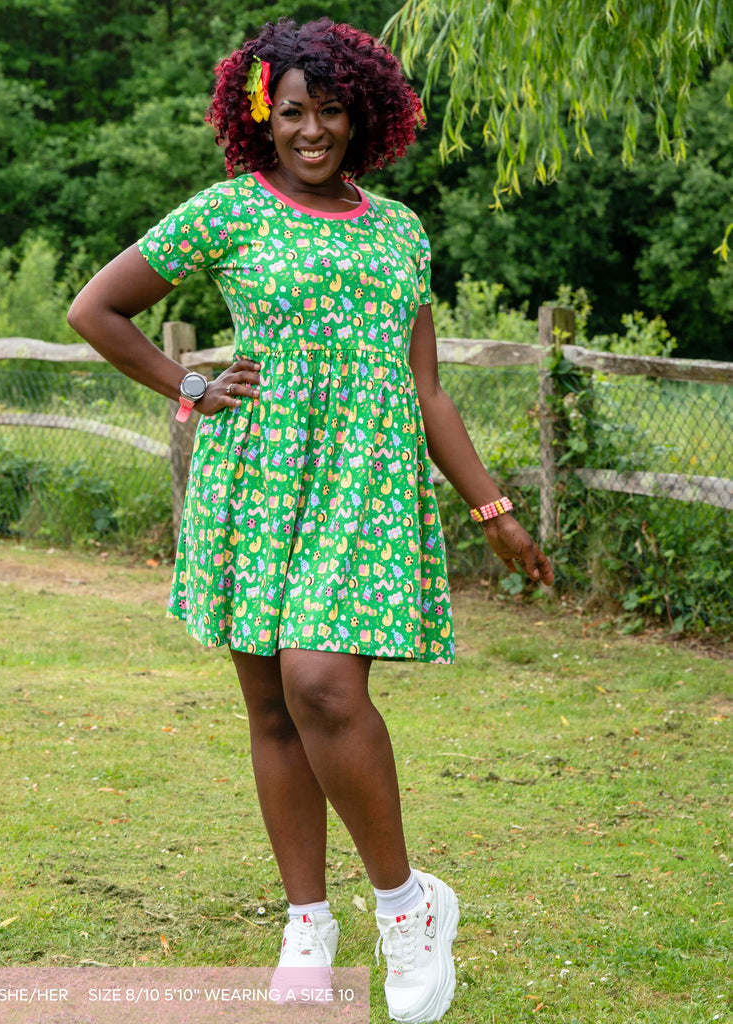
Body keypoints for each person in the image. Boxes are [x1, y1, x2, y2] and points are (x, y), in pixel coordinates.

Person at [68, 17, 554, 1023]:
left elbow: (427, 390)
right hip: (257, 480)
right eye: (292, 111)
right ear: (263, 116)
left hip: (365, 483)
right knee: (271, 708)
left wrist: (491, 505)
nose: (312, 130)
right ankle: (306, 922)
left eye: (331, 110)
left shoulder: (399, 230)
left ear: (363, 114)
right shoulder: (228, 212)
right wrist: (191, 390)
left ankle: (406, 907)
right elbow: (95, 310)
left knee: (321, 683)